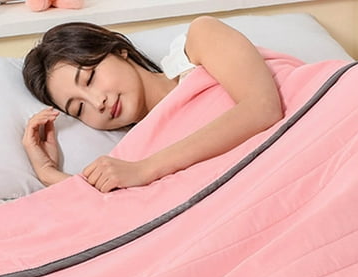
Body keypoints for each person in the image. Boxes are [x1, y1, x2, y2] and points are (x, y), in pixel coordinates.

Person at [22, 16, 284, 193]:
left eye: (90, 78)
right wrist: (48, 173)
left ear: (119, 51)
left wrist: (145, 169)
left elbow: (263, 107)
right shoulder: (136, 154)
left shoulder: (199, 41)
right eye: (79, 109)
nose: (97, 103)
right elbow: (126, 214)